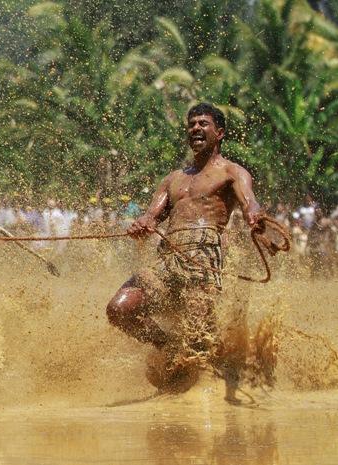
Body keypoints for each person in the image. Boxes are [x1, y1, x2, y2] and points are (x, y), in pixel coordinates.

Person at [105, 102, 263, 402]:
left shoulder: (232, 172)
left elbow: (249, 202)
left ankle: (204, 391)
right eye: (191, 125)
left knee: (199, 334)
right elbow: (152, 215)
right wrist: (143, 223)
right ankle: (166, 345)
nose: (195, 129)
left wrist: (255, 215)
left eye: (203, 124)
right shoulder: (173, 178)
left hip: (205, 256)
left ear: (220, 132)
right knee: (119, 310)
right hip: (169, 256)